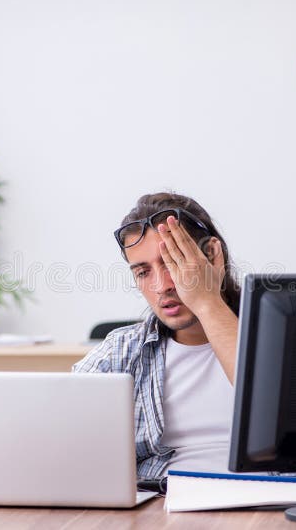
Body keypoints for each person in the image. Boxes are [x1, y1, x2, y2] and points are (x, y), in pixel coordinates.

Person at [72, 192, 241, 479]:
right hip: (162, 505)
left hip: (271, 504)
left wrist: (207, 301)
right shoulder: (121, 352)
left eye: (172, 263)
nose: (161, 286)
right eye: (143, 272)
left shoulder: (285, 333)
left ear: (212, 255)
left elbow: (271, 399)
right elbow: (58, 435)